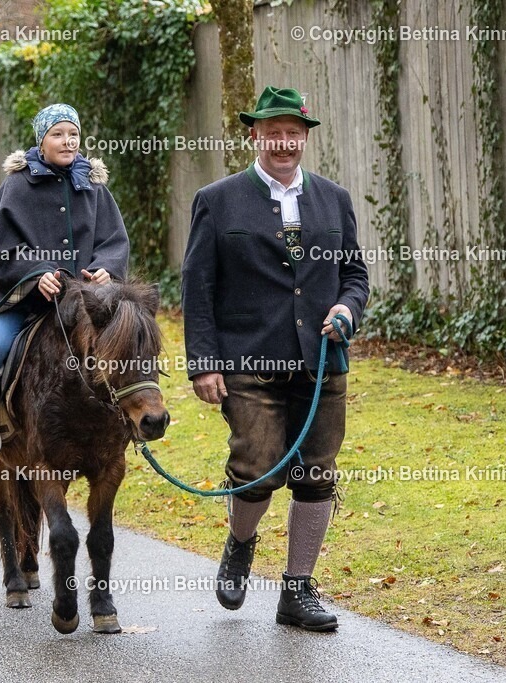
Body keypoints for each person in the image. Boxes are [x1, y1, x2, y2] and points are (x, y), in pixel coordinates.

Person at [182, 86, 370, 630]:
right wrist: (203, 362)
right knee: (257, 467)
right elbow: (198, 288)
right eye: (273, 132)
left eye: (294, 132)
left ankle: (297, 591)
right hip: (248, 361)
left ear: (305, 138)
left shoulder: (334, 199)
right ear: (254, 136)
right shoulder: (218, 200)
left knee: (316, 474)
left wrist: (347, 308)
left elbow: (354, 274)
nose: (284, 142)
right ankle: (241, 543)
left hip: (321, 362)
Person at [0, 103, 130, 457]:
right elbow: (1, 249)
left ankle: (127, 418)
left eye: (73, 135)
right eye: (58, 135)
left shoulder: (94, 185)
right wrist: (36, 274)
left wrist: (106, 269)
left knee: (130, 344)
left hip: (88, 303)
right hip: (29, 302)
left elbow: (114, 241)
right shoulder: (17, 187)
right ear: (41, 140)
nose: (68, 142)